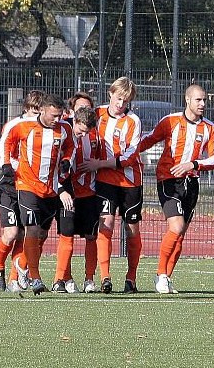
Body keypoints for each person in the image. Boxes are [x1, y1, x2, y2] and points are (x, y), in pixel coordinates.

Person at [139, 84, 214, 294]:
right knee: (175, 227)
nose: (203, 104)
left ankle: (166, 277)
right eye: (198, 100)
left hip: (191, 183)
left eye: (204, 100)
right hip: (168, 180)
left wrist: (194, 164)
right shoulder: (170, 121)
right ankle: (160, 274)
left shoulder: (209, 128)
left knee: (180, 233)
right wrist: (127, 153)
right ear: (187, 100)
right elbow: (149, 140)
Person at [4, 93, 74, 295]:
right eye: (53, 115)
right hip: (26, 185)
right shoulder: (24, 126)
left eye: (59, 115)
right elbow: (7, 141)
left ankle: (22, 269)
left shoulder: (64, 129)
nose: (56, 119)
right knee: (32, 230)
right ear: (42, 110)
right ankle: (35, 277)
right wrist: (6, 164)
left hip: (50, 189)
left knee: (42, 234)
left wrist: (67, 159)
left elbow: (70, 146)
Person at [78, 77, 143, 294]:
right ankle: (105, 277)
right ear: (110, 94)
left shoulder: (133, 121)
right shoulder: (97, 114)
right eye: (118, 99)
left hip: (130, 182)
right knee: (105, 225)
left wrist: (100, 163)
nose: (120, 104)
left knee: (131, 228)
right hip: (105, 182)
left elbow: (130, 156)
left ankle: (131, 278)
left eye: (125, 101)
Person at [0, 90, 44, 292]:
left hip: (29, 185)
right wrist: (6, 166)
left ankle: (15, 278)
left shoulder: (45, 127)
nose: (35, 114)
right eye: (32, 110)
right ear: (26, 108)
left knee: (25, 233)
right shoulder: (15, 125)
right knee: (11, 232)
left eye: (38, 110)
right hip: (10, 184)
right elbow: (4, 144)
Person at [52, 100, 100, 294]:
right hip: (66, 191)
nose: (83, 135)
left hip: (89, 192)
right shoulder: (62, 131)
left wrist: (97, 164)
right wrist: (61, 189)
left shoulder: (94, 134)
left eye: (87, 132)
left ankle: (89, 279)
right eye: (81, 131)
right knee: (66, 234)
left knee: (91, 235)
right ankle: (61, 279)